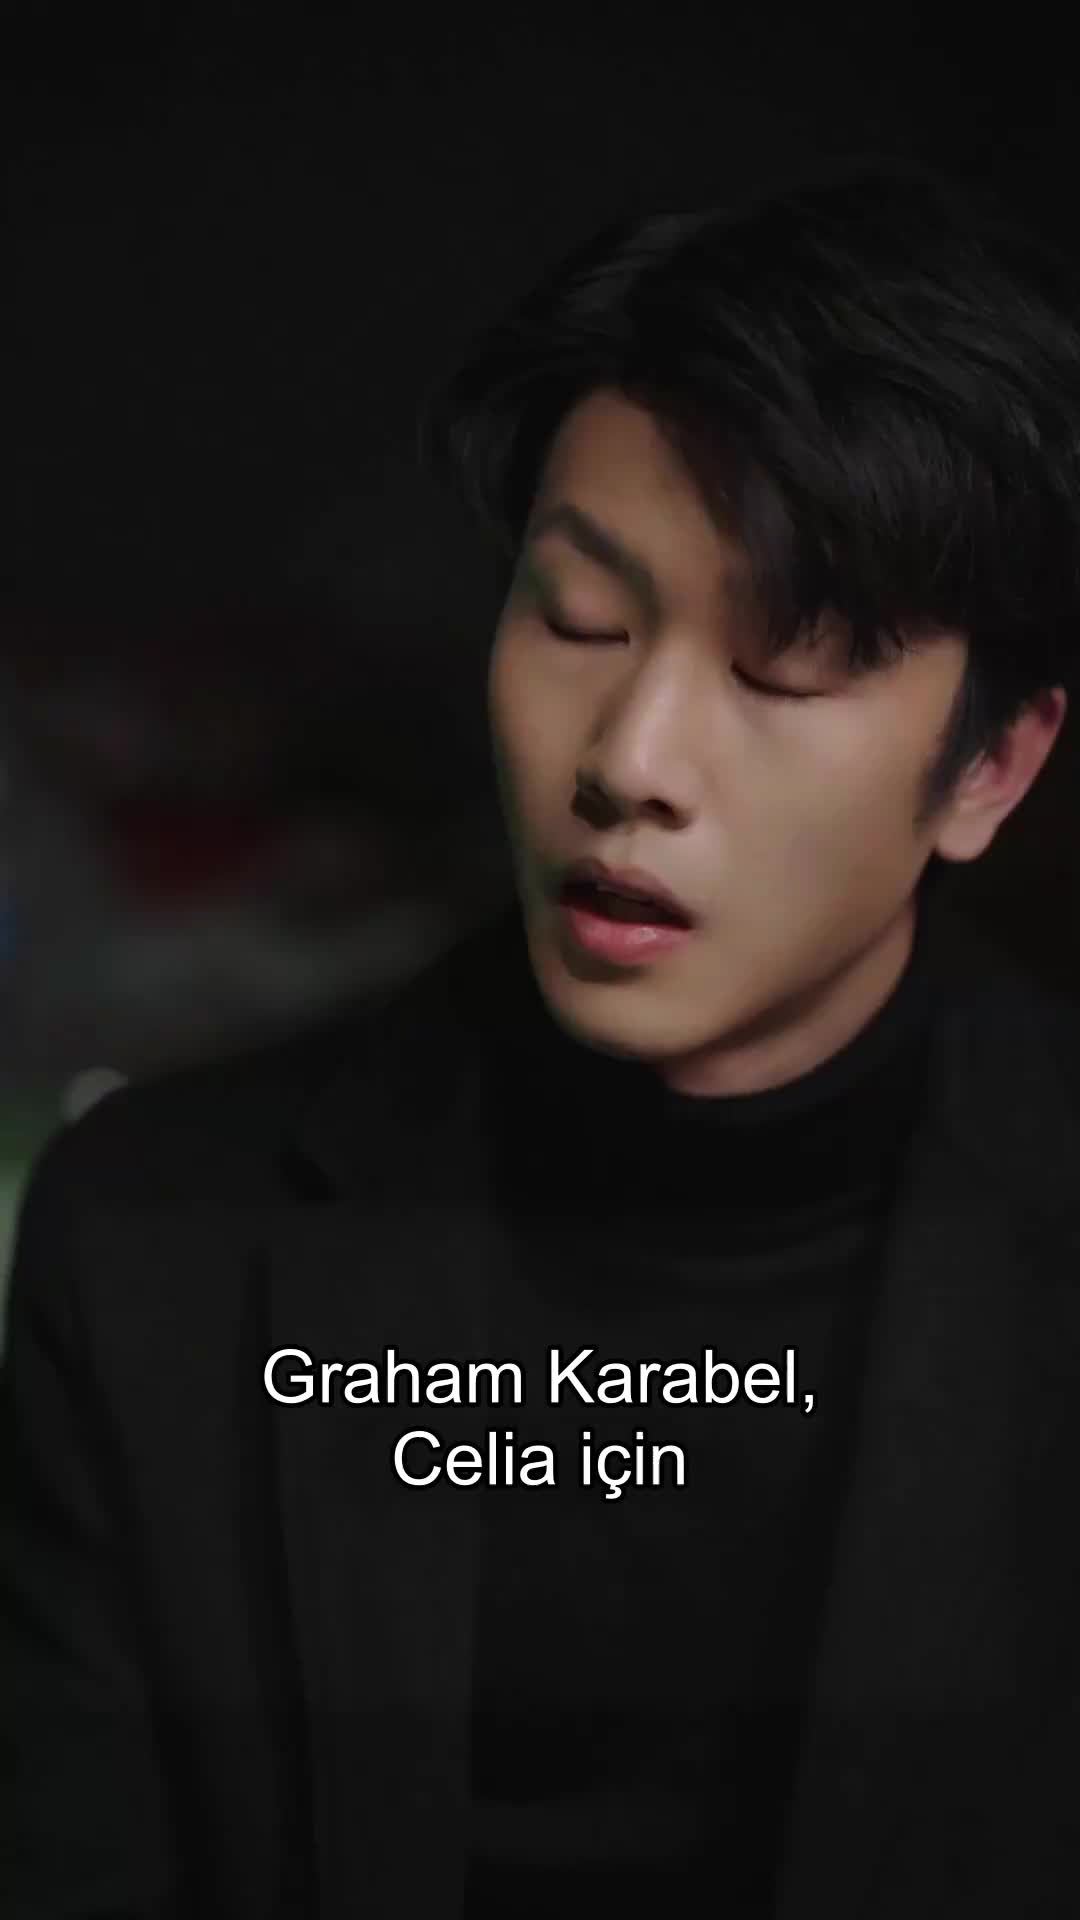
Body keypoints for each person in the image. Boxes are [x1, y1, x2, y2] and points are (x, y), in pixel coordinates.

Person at [3, 157, 1080, 1920]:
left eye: (784, 665)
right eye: (580, 618)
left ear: (993, 767)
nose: (629, 759)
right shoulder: (153, 1246)